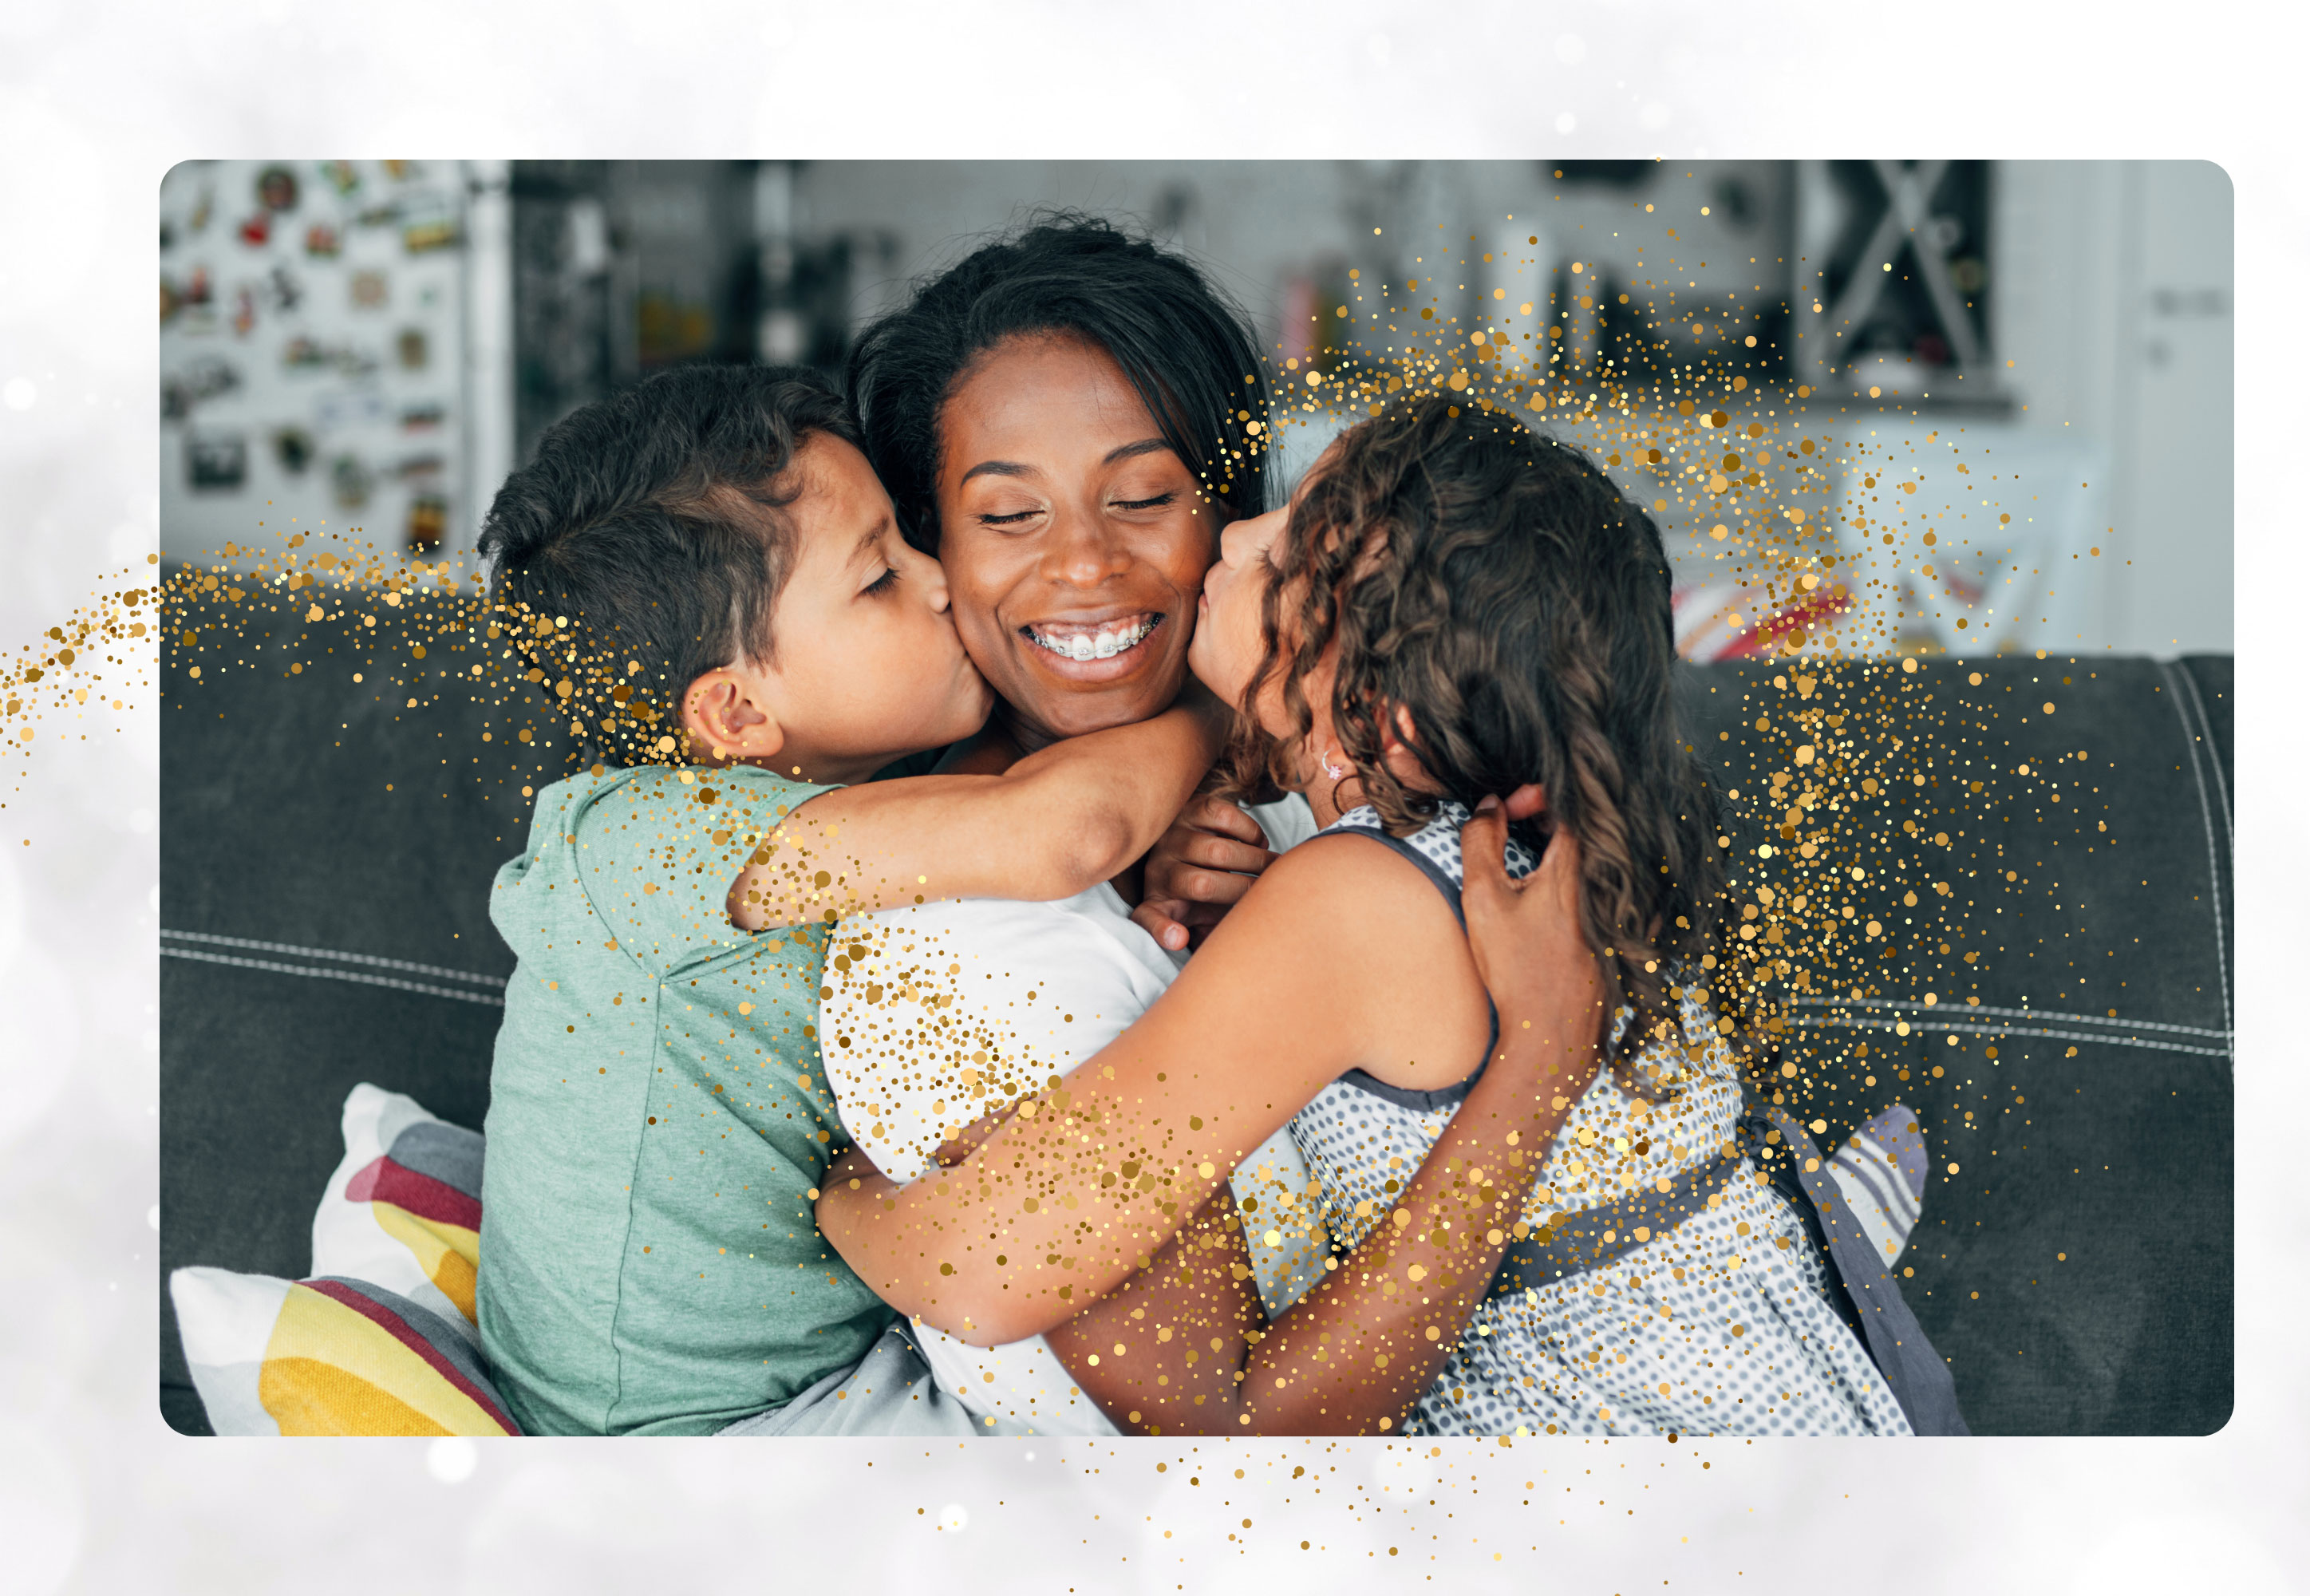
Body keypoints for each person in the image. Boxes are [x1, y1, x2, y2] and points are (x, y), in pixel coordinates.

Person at [818, 394, 1959, 1436]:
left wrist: (846, 1194)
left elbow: (994, 1272)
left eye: (1291, 551)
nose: (1235, 538)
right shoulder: (1516, 863)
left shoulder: (1360, 901)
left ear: (1384, 709)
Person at [469, 364, 1231, 1436]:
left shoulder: (819, 808)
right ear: (733, 713)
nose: (939, 582)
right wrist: (1225, 690)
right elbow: (1064, 831)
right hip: (696, 1435)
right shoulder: (650, 845)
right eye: (880, 578)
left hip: (814, 1367)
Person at [794, 215, 1323, 1432]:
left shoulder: (1326, 778)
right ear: (930, 557)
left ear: (1229, 516)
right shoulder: (957, 936)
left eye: (1142, 496)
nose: (1085, 564)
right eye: (1011, 516)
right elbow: (1209, 1437)